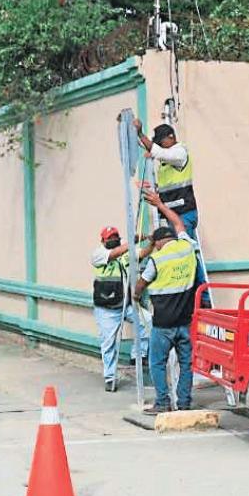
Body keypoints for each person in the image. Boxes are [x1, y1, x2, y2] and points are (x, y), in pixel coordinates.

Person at [135, 188, 200, 414]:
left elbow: (141, 283)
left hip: (163, 325)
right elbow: (179, 223)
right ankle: (184, 402)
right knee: (186, 364)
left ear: (159, 243)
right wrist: (160, 205)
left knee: (157, 363)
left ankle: (163, 402)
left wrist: (135, 295)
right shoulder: (187, 247)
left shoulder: (157, 259)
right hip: (185, 321)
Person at [134, 118, 210, 304]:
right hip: (172, 215)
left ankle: (203, 298)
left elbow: (158, 152)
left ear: (171, 137)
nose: (160, 146)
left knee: (187, 253)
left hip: (184, 214)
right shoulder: (166, 163)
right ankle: (191, 296)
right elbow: (167, 184)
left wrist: (140, 133)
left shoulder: (179, 152)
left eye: (162, 142)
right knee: (182, 254)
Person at [91, 225, 149, 392]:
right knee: (109, 343)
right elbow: (113, 254)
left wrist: (151, 242)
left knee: (147, 322)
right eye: (109, 238)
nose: (113, 240)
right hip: (107, 309)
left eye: (115, 237)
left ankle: (138, 355)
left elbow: (141, 254)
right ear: (103, 240)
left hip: (126, 304)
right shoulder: (98, 254)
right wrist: (132, 241)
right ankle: (110, 377)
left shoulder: (125, 250)